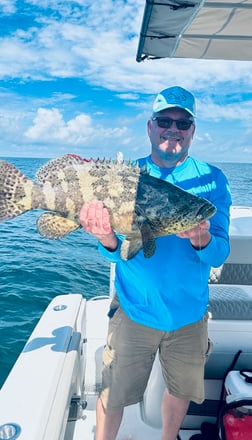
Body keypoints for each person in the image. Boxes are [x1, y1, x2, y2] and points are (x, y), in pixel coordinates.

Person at [79, 86, 232, 440]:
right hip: (134, 310)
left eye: (183, 122)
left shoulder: (212, 180)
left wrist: (202, 239)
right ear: (150, 127)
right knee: (113, 392)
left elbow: (219, 254)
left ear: (192, 130)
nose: (173, 129)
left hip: (189, 315)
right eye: (165, 120)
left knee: (180, 390)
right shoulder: (125, 175)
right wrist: (105, 238)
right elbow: (120, 249)